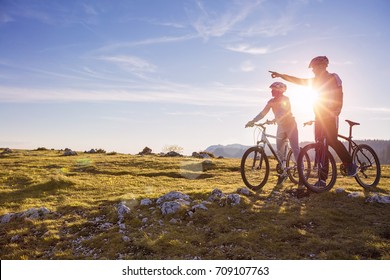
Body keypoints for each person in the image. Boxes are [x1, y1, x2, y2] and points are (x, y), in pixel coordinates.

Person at [269, 56, 358, 185]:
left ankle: (350, 164)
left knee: (332, 140)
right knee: (320, 146)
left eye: (314, 68)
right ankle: (322, 179)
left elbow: (340, 95)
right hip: (320, 117)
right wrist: (281, 76)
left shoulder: (333, 77)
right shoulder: (315, 81)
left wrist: (336, 111)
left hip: (331, 115)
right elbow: (298, 81)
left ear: (323, 66)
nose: (313, 71)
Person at [245, 82, 302, 187]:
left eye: (273, 89)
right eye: (271, 89)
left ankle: (302, 175)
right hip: (281, 127)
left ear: (279, 91)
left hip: (291, 126)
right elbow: (263, 113)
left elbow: (285, 112)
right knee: (280, 153)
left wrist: (275, 119)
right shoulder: (271, 101)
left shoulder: (285, 99)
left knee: (295, 148)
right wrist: (252, 121)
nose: (271, 91)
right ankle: (283, 174)